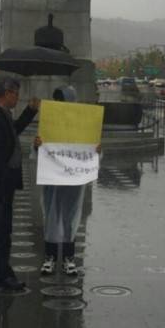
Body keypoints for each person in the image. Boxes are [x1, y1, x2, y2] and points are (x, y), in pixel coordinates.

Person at [0, 77, 39, 291]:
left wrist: (30, 111)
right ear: (7, 93)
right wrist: (4, 181)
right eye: (16, 94)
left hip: (0, 182)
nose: (17, 98)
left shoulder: (2, 114)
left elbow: (14, 131)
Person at [34, 86, 100, 277]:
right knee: (51, 216)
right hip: (52, 179)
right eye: (57, 101)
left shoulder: (83, 125)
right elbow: (38, 152)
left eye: (62, 100)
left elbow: (92, 151)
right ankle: (50, 257)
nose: (59, 104)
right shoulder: (49, 124)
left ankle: (68, 258)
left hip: (73, 180)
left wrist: (96, 150)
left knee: (70, 217)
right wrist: (37, 146)